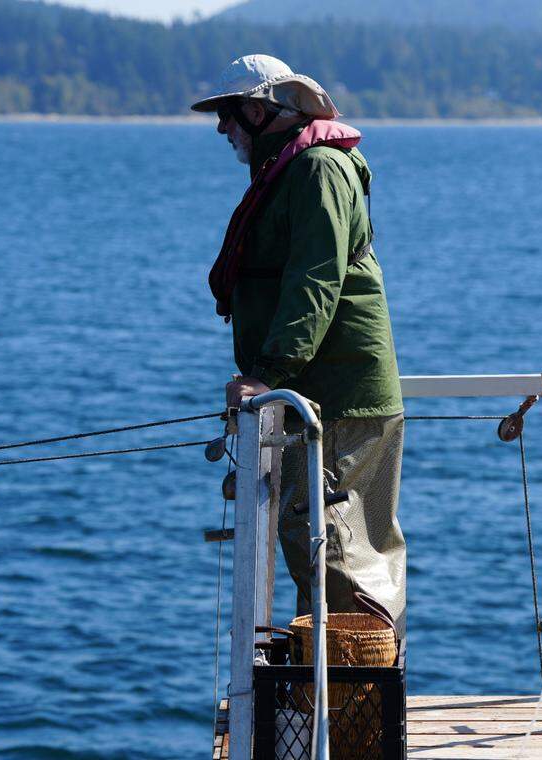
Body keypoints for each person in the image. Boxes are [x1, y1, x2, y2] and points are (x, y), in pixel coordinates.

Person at [191, 55, 408, 635]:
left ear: (260, 112)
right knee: (329, 545)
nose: (222, 128)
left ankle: (351, 708)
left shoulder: (316, 170)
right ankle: (339, 700)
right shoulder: (293, 168)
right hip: (326, 392)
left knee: (333, 547)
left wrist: (267, 375)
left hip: (335, 397)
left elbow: (315, 279)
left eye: (229, 114)